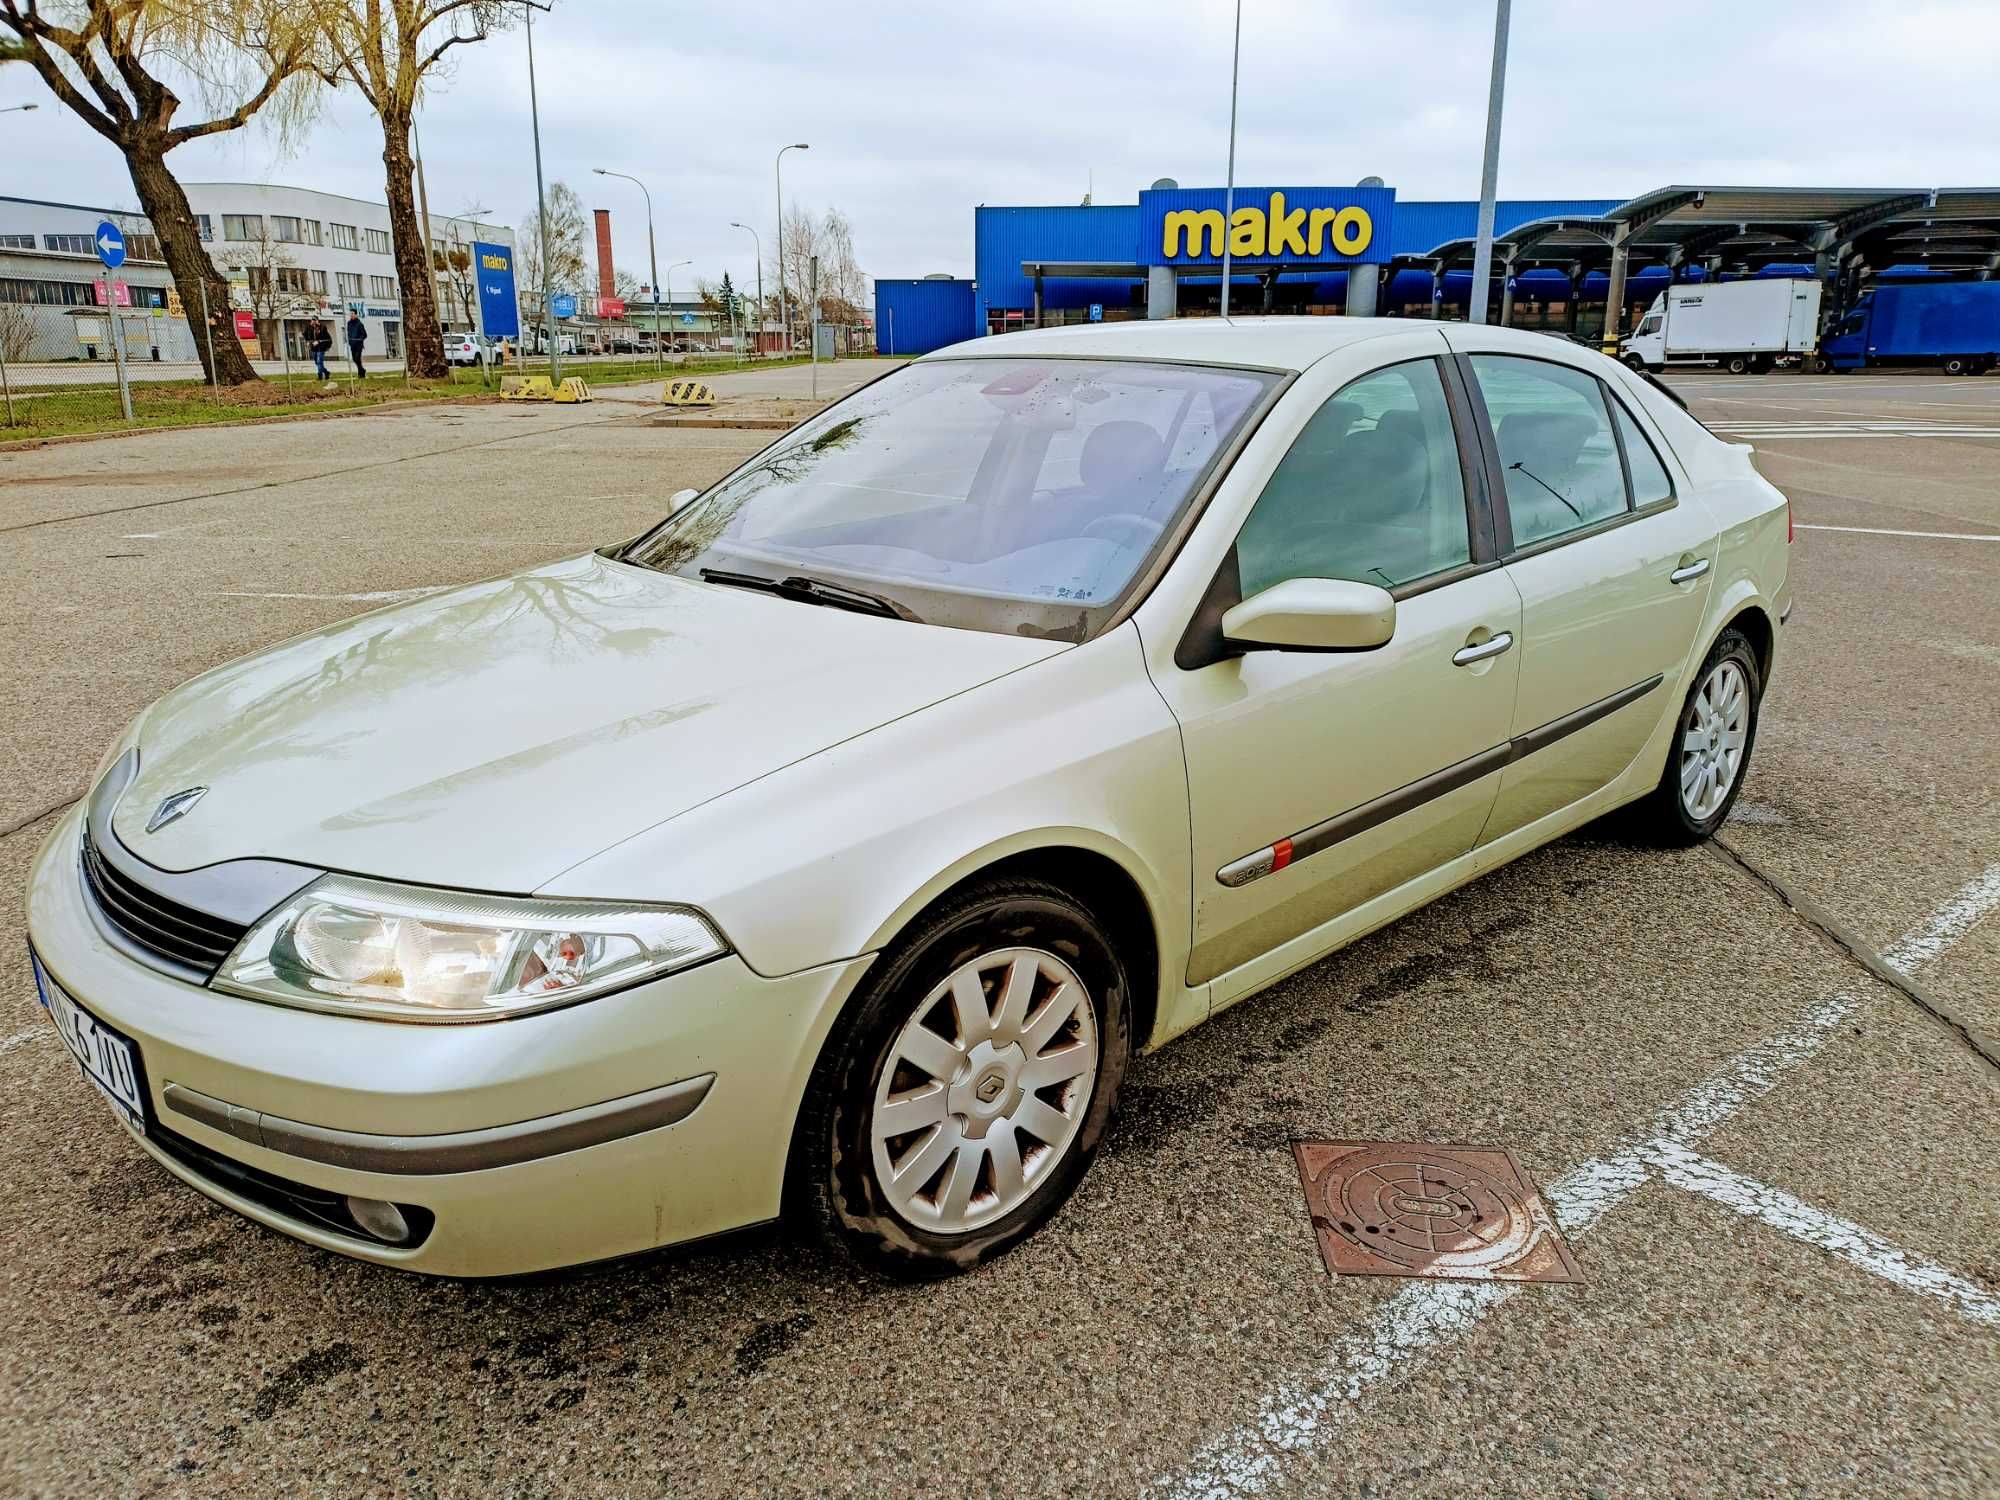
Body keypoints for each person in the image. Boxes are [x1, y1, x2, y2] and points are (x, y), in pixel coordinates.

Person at [345, 312, 367, 379]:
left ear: (356, 315)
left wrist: (360, 339)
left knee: (357, 357)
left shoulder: (359, 324)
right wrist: (349, 339)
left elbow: (364, 334)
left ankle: (360, 372)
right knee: (355, 359)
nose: (351, 315)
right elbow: (348, 332)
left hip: (359, 344)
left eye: (353, 314)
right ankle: (362, 370)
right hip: (352, 344)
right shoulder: (349, 323)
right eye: (350, 314)